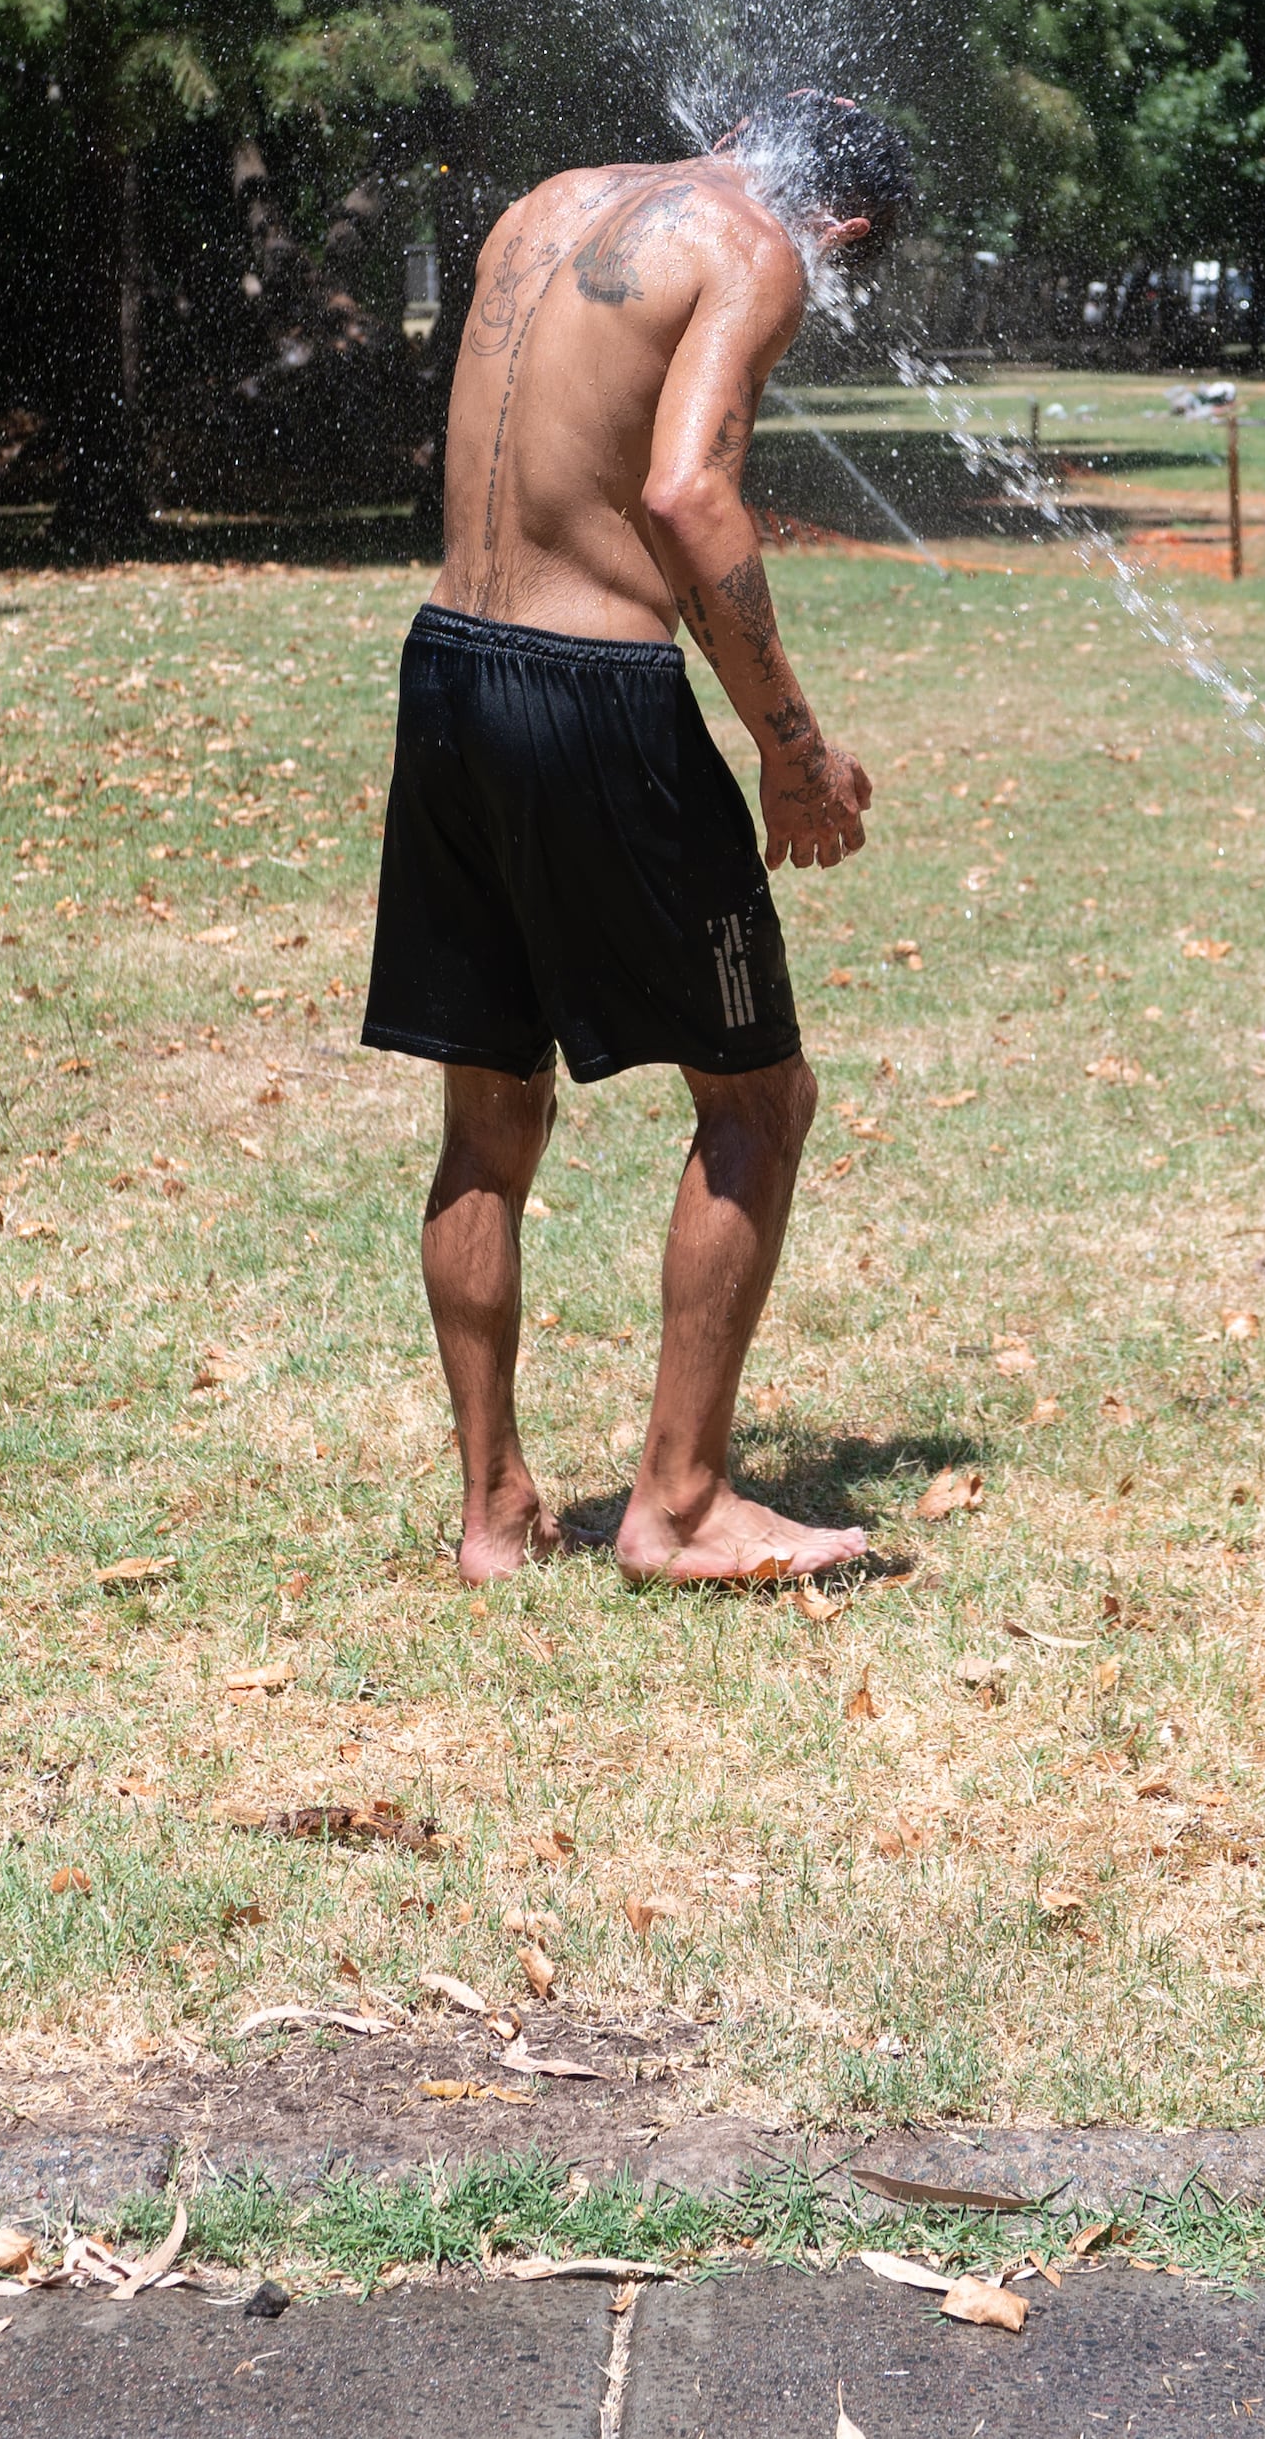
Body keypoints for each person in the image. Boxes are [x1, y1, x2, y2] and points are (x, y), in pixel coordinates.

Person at [359, 90, 909, 1583]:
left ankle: (493, 1514)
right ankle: (677, 1508)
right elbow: (683, 488)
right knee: (756, 1096)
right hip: (592, 693)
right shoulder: (758, 245)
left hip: (449, 669)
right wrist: (791, 752)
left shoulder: (546, 202)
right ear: (844, 220)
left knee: (488, 1112)